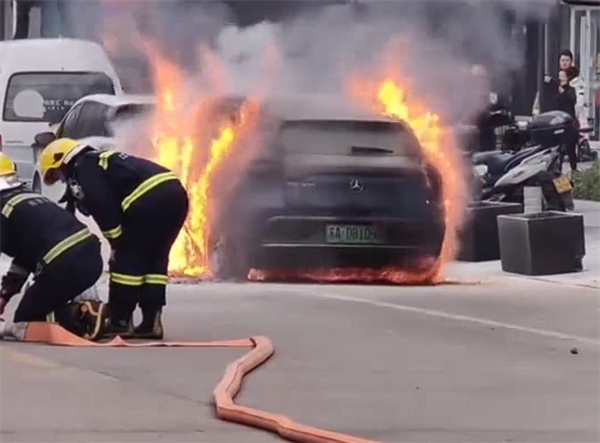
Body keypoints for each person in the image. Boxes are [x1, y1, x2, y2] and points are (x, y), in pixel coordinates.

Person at [38, 139, 189, 339]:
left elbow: (101, 204)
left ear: (62, 160)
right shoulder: (101, 161)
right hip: (175, 195)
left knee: (126, 262)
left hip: (147, 200)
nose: (62, 181)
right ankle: (151, 322)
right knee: (155, 259)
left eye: (57, 175)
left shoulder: (83, 168)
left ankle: (120, 321)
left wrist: (116, 240)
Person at [0, 152, 107, 341]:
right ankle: (89, 310)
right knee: (39, 306)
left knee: (25, 321)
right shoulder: (28, 197)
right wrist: (5, 296)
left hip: (63, 265)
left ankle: (80, 316)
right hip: (90, 258)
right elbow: (24, 256)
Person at [555, 69, 579, 172]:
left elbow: (572, 100)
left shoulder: (570, 90)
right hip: (558, 121)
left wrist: (563, 92)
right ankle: (557, 170)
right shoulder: (554, 90)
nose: (561, 78)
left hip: (568, 122)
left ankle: (574, 169)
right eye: (559, 76)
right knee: (559, 149)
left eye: (563, 76)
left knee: (571, 148)